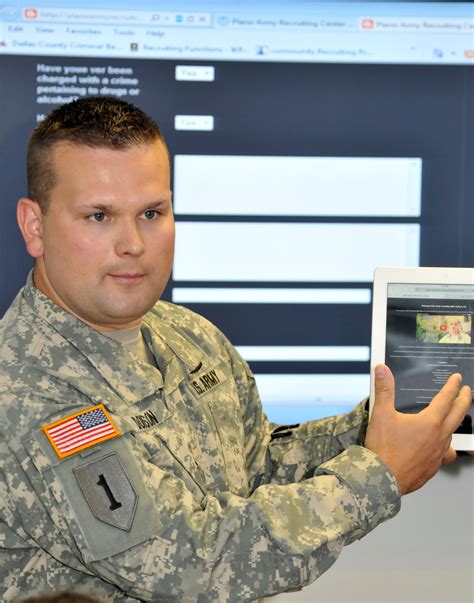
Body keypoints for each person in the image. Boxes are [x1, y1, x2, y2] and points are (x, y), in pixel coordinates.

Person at [0, 96, 470, 602]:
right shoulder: (24, 390)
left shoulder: (187, 334)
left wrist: (389, 424)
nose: (133, 243)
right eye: (99, 216)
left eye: (152, 212)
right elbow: (187, 564)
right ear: (35, 227)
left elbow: (258, 466)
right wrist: (377, 474)